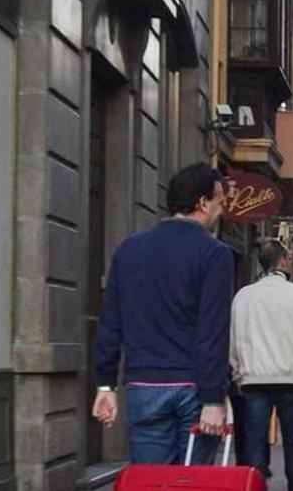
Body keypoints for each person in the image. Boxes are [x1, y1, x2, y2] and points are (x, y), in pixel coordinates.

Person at [91, 163, 233, 463]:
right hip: (193, 387)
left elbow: (111, 323)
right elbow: (212, 332)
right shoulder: (214, 254)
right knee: (193, 483)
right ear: (203, 203)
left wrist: (105, 384)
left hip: (144, 384)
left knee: (152, 481)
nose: (222, 210)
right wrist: (213, 397)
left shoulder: (128, 250)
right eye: (220, 202)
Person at [231, 239, 293, 490]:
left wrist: (239, 371)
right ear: (283, 261)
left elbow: (235, 339)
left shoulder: (244, 296)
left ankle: (256, 485)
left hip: (254, 379)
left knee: (255, 440)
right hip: (292, 378)